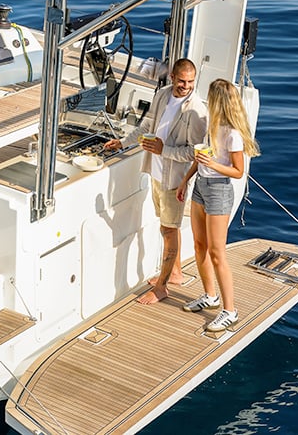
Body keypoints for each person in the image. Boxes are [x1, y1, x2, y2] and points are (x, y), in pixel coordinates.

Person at [103, 58, 207, 304]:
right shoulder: (162, 95)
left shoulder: (197, 111)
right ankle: (176, 272)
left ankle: (162, 287)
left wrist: (164, 151)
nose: (186, 86)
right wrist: (123, 142)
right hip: (157, 173)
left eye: (190, 82)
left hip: (174, 180)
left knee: (169, 230)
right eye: (182, 81)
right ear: (172, 77)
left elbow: (195, 152)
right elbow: (147, 127)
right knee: (167, 226)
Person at [176, 78, 260, 332]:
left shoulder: (233, 134)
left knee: (216, 252)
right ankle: (210, 296)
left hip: (219, 191)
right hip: (201, 186)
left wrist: (212, 164)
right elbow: (200, 158)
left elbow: (238, 172)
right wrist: (185, 180)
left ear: (217, 100)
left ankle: (230, 310)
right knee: (199, 245)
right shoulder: (211, 125)